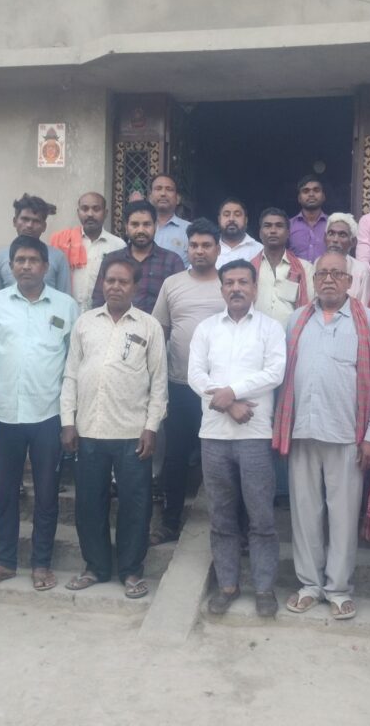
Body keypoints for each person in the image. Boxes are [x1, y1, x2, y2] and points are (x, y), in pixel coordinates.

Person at [275, 251, 370, 620]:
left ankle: (338, 588)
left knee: (342, 515)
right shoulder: (297, 319)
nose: (328, 279)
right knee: (304, 512)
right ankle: (309, 585)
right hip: (302, 431)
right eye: (322, 273)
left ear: (349, 281)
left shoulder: (367, 321)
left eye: (336, 274)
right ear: (313, 280)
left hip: (347, 435)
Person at [0, 236, 80, 593]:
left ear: (46, 266)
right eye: (20, 260)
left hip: (49, 415)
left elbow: (74, 364)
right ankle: (4, 562)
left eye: (34, 260)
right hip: (4, 415)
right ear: (11, 265)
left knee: (47, 494)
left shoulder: (66, 306)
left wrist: (69, 417)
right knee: (5, 493)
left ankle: (41, 563)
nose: (26, 266)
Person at [60, 258, 167, 599]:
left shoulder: (149, 327)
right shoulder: (85, 323)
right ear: (102, 283)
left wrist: (151, 428)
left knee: (135, 505)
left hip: (132, 432)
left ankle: (131, 571)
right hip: (89, 428)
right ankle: (95, 567)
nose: (115, 287)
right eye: (110, 280)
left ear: (135, 287)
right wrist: (68, 422)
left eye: (123, 281)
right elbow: (71, 375)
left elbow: (159, 383)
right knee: (89, 504)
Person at [188, 260, 287, 617]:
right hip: (214, 436)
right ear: (221, 290)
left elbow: (275, 373)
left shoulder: (270, 328)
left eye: (243, 282)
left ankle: (264, 587)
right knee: (221, 516)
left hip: (255, 436)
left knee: (261, 516)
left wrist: (233, 390)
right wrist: (229, 403)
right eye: (229, 283)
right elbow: (195, 375)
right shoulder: (206, 329)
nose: (236, 288)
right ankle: (227, 585)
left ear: (255, 288)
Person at [151, 218, 227, 543]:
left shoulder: (229, 283)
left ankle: (226, 526)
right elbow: (160, 332)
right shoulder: (172, 284)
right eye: (193, 245)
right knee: (176, 455)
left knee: (220, 457)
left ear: (217, 249)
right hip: (180, 384)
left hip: (219, 390)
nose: (199, 250)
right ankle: (170, 522)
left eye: (206, 245)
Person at [92, 200, 184, 314]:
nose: (141, 230)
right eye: (135, 224)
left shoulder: (172, 261)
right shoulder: (112, 260)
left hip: (156, 325)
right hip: (116, 324)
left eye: (146, 224)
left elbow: (180, 304)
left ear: (155, 226)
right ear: (126, 227)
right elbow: (98, 300)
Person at [49, 191, 124, 311]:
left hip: (102, 313)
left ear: (105, 213)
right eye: (85, 209)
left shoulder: (117, 245)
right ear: (78, 212)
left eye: (96, 209)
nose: (90, 214)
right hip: (67, 311)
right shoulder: (64, 242)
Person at [0, 193, 70, 295]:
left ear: (44, 226)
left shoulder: (58, 257)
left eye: (36, 221)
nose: (30, 225)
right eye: (25, 219)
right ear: (15, 222)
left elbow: (65, 298)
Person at [252, 207, 314, 327]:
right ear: (260, 233)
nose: (273, 230)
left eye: (279, 226)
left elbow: (311, 306)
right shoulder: (250, 269)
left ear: (288, 233)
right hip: (256, 335)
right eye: (267, 226)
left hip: (293, 335)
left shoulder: (305, 268)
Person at [325, 213, 370, 305]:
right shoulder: (317, 265)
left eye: (342, 235)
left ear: (353, 242)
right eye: (331, 234)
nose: (335, 240)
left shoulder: (361, 271)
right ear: (325, 238)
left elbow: (363, 309)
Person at [149, 174, 191, 266]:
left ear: (178, 198)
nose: (163, 193)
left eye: (169, 189)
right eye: (158, 189)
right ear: (150, 197)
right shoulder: (141, 228)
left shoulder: (190, 229)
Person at [288, 174, 328, 262]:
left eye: (316, 190)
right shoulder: (288, 226)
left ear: (323, 196)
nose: (311, 194)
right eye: (306, 191)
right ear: (299, 198)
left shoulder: (332, 225)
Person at [216, 198, 263, 268]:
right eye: (226, 215)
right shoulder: (209, 248)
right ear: (219, 220)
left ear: (246, 220)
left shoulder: (259, 250)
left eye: (237, 215)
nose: (231, 219)